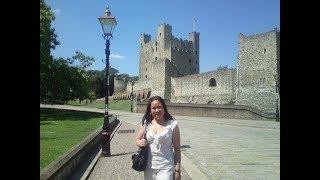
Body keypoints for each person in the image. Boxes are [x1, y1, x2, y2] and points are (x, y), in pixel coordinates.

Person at [136, 96, 181, 180]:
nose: (157, 110)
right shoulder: (146, 123)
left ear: (164, 108)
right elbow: (137, 140)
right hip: (148, 166)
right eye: (154, 108)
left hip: (166, 166)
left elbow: (177, 149)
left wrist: (177, 169)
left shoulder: (173, 125)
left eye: (159, 107)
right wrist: (140, 142)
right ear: (150, 110)